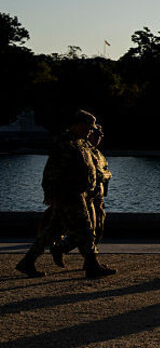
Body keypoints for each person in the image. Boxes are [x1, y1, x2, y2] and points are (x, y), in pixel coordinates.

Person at [16, 110, 115, 278]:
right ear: (78, 125)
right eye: (88, 127)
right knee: (86, 229)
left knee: (51, 231)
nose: (90, 131)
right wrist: (50, 193)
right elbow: (51, 171)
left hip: (80, 193)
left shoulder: (81, 143)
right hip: (69, 194)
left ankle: (28, 262)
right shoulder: (64, 144)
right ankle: (91, 265)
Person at [50, 124, 112, 267]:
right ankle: (63, 249)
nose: (99, 138)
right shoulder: (83, 150)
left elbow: (104, 173)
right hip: (85, 197)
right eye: (96, 134)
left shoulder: (97, 153)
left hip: (98, 197)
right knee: (86, 230)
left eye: (101, 135)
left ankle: (89, 260)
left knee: (97, 229)